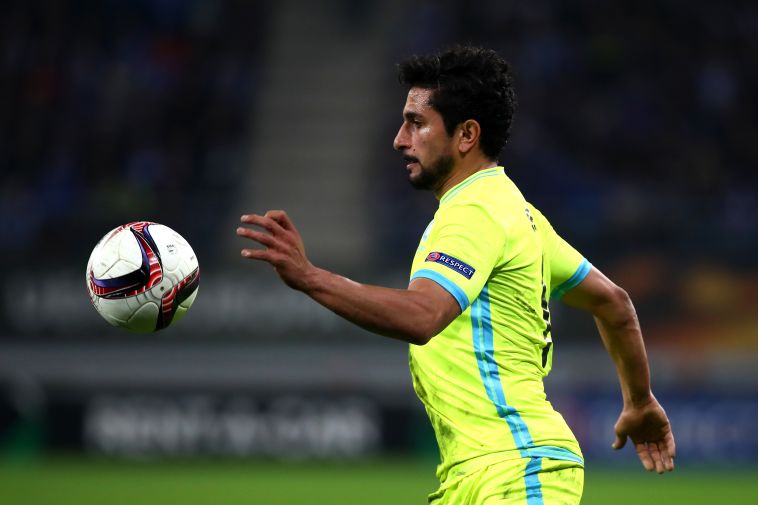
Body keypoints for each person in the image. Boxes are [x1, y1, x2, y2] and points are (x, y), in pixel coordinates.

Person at [236, 45, 675, 504]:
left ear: (466, 134)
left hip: (516, 468)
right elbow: (613, 302)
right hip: (480, 473)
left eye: (416, 123)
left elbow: (422, 316)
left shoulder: (475, 212)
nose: (400, 139)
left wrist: (310, 277)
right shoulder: (517, 212)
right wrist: (639, 401)